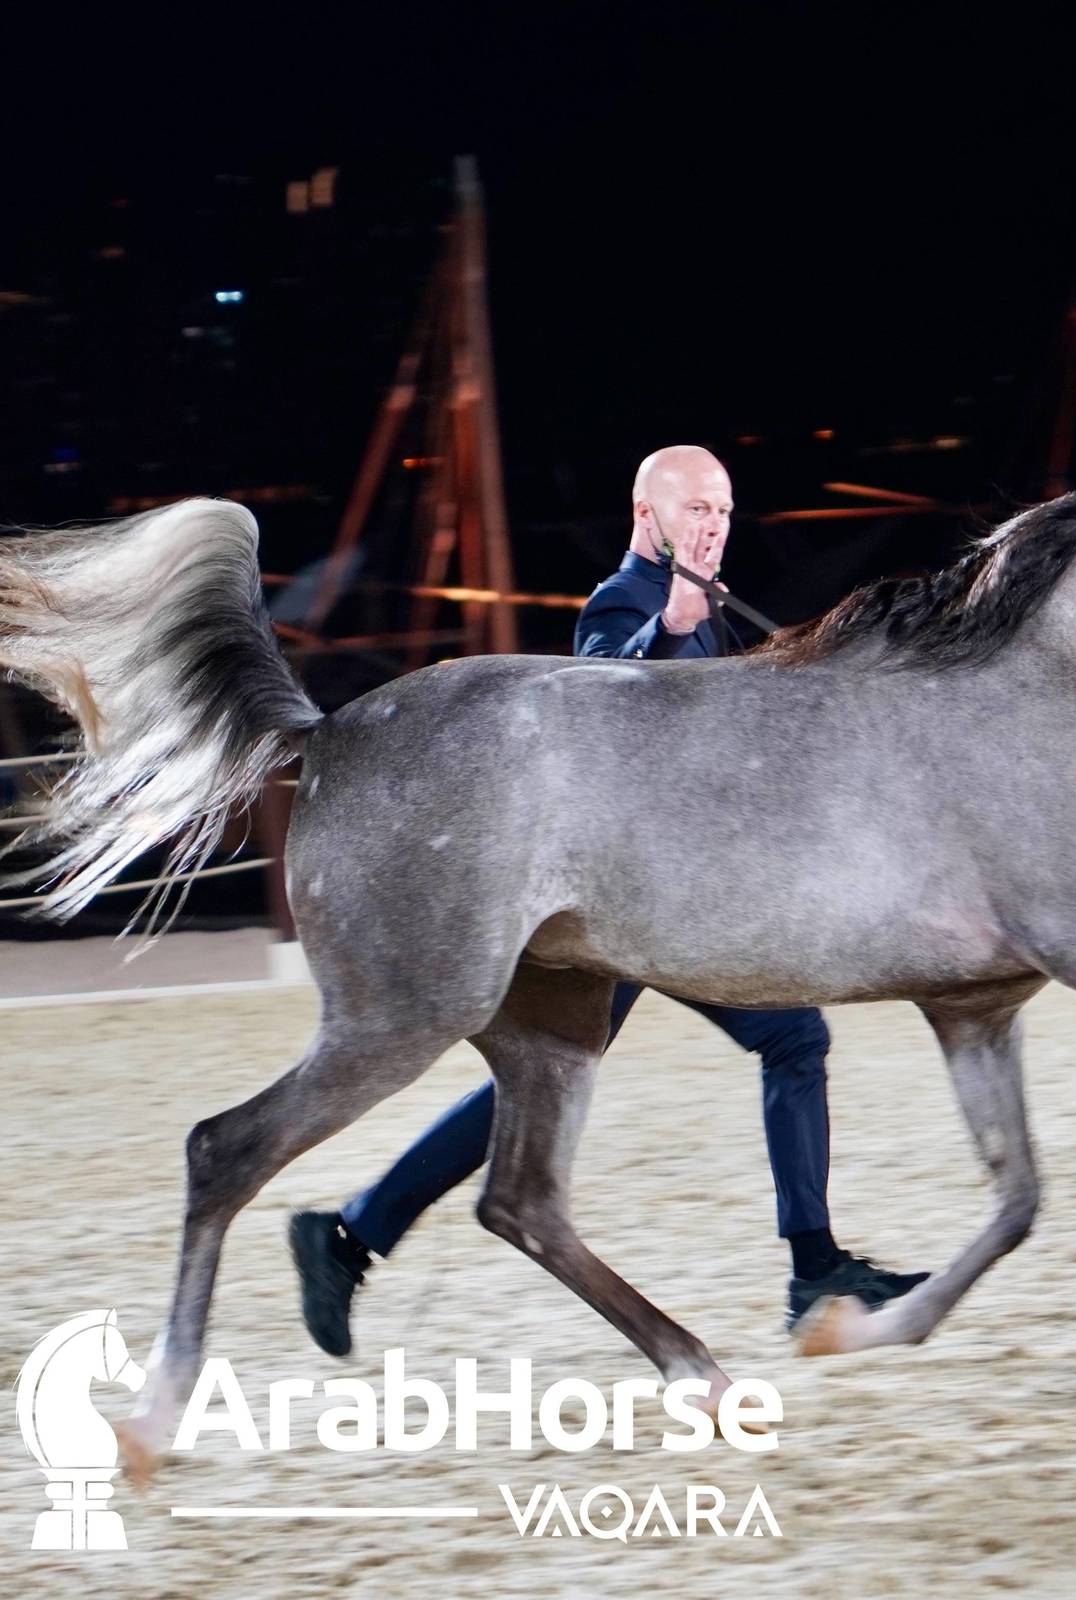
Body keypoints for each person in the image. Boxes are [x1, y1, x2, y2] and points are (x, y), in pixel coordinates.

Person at [289, 445, 927, 1350]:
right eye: (696, 509)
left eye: (723, 510)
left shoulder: (706, 608)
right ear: (646, 516)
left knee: (544, 1078)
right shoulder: (627, 599)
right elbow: (598, 695)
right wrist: (666, 628)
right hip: (626, 903)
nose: (713, 525)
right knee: (786, 1040)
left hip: (668, 895)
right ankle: (813, 1267)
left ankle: (353, 1233)